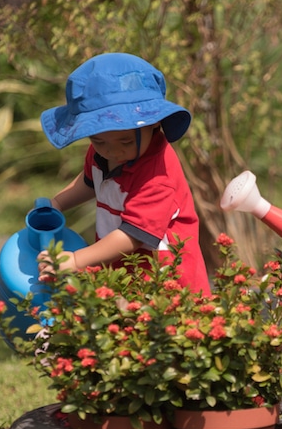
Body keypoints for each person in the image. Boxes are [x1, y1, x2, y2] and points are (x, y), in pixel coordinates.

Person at [38, 52, 210, 295]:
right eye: (99, 141)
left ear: (154, 124)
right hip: (124, 273)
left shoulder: (158, 175)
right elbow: (90, 182)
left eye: (125, 141)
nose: (113, 152)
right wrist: (56, 203)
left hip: (166, 286)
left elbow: (132, 237)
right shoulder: (103, 153)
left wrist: (76, 261)